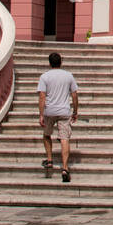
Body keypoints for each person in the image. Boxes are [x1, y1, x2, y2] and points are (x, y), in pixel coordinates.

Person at [37, 52, 78, 182]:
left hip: (50, 111)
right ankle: (65, 168)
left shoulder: (45, 77)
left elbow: (42, 96)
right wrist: (75, 111)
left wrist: (41, 114)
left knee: (46, 135)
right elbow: (74, 95)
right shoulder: (68, 76)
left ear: (49, 63)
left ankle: (49, 160)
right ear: (61, 62)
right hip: (64, 111)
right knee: (65, 138)